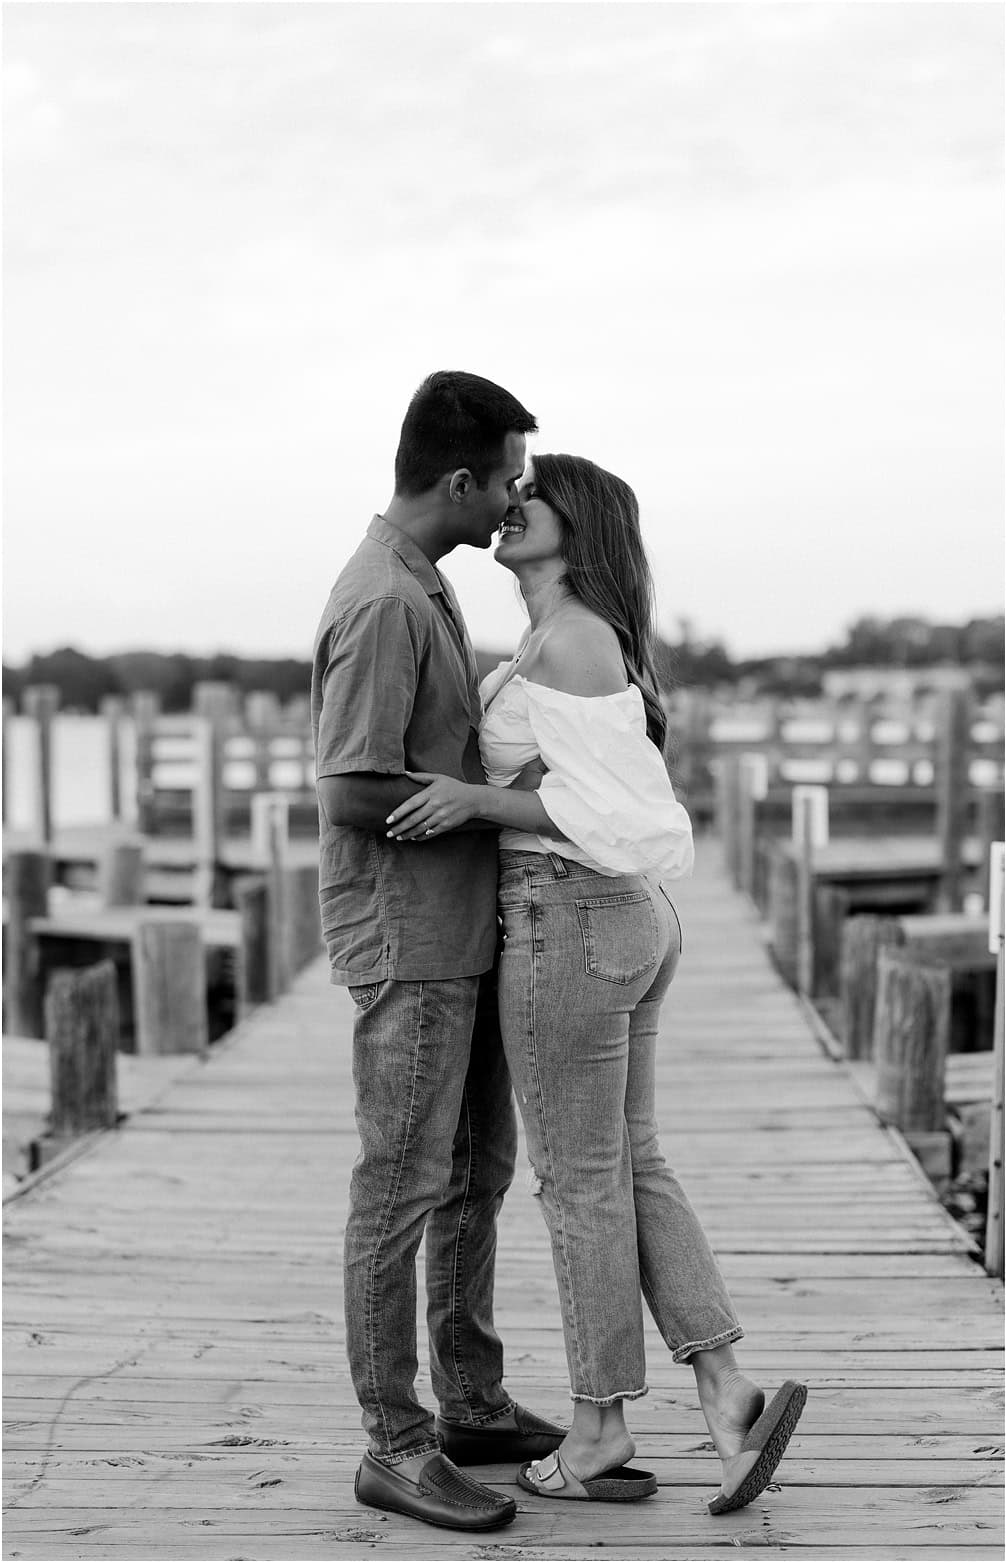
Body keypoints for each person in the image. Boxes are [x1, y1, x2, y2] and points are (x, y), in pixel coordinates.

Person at [384, 452, 807, 1513]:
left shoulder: (572, 638)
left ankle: (599, 1426)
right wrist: (502, 788)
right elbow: (586, 792)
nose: (509, 502)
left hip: (569, 916)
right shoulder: (556, 637)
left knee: (579, 1182)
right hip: (610, 919)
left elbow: (626, 818)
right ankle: (725, 1390)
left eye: (533, 494)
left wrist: (476, 802)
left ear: (578, 524)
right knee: (629, 1164)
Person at [314, 370, 564, 1533]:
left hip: (463, 932)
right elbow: (353, 784)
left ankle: (467, 1401)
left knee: (477, 1177)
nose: (514, 498)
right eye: (508, 477)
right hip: (407, 940)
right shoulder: (383, 602)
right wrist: (471, 800)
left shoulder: (425, 586)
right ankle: (394, 1443)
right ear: (458, 480)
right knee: (401, 1189)